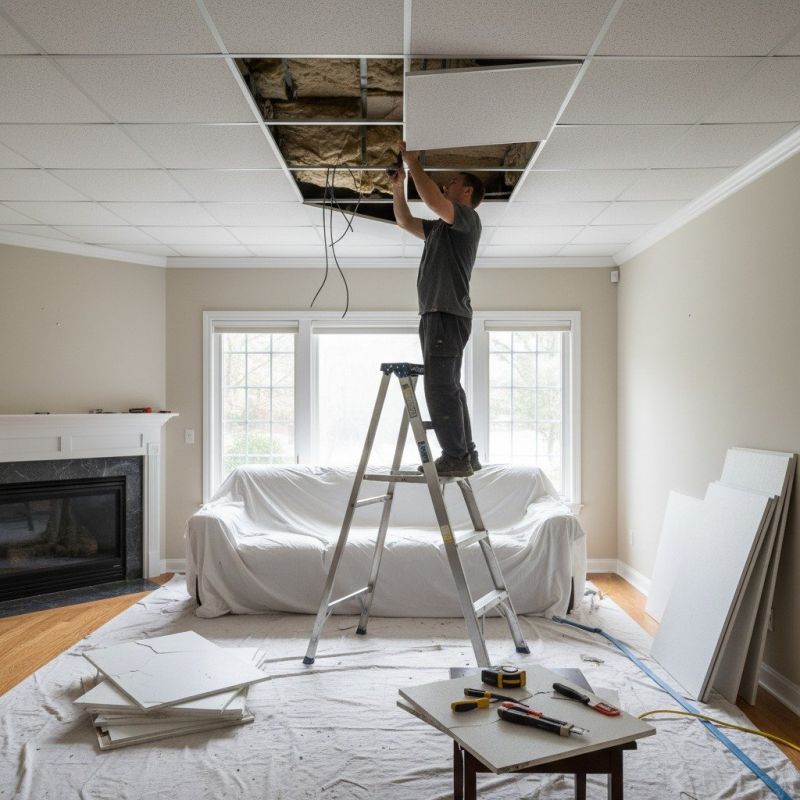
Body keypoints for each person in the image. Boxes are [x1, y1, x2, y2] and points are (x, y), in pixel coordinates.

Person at [389, 141, 485, 477]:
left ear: (467, 191)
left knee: (439, 387)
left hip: (444, 314)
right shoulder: (439, 230)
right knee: (450, 387)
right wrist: (398, 187)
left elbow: (432, 199)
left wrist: (412, 162)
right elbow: (404, 220)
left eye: (454, 182)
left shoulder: (467, 220)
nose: (447, 185)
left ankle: (455, 457)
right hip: (441, 315)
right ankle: (466, 454)